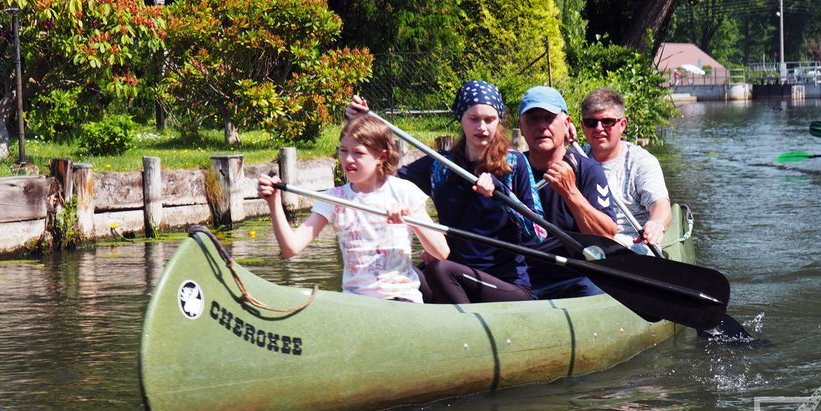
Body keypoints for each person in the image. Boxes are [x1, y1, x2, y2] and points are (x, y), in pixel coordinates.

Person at [348, 81, 543, 304]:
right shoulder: (441, 165)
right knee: (399, 274)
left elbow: (537, 231)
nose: (482, 127)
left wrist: (500, 193)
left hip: (505, 283)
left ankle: (466, 330)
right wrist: (361, 127)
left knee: (441, 270)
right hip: (452, 276)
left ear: (499, 120)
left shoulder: (514, 163)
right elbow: (383, 180)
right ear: (461, 118)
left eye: (489, 120)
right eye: (474, 119)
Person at [258, 115, 449, 304]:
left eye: (358, 153)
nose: (348, 159)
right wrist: (274, 203)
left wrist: (411, 218)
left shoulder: (403, 191)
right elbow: (291, 248)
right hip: (356, 303)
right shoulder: (332, 198)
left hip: (402, 299)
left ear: (381, 156)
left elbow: (441, 252)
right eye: (343, 151)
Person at [517, 86, 618, 298]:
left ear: (566, 124)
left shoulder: (588, 170)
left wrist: (571, 193)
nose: (541, 126)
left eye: (549, 118)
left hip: (576, 277)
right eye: (533, 119)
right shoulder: (510, 170)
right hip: (522, 278)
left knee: (594, 289)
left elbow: (607, 235)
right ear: (521, 127)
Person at [580, 87, 671, 250]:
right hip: (585, 244)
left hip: (632, 246)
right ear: (582, 126)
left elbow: (660, 205)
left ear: (622, 124)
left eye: (607, 122)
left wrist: (656, 224)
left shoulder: (641, 161)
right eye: (591, 122)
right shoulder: (575, 158)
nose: (599, 128)